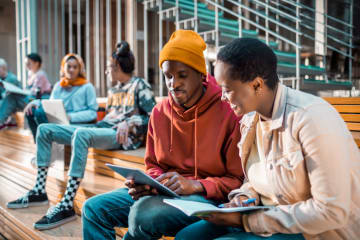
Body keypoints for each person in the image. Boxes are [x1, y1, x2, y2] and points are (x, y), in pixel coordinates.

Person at [175, 38, 360, 240]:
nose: (222, 97)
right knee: (187, 237)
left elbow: (331, 210)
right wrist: (245, 197)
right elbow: (257, 178)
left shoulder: (311, 119)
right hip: (267, 219)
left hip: (314, 231)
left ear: (256, 85)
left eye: (227, 89)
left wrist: (246, 221)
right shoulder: (251, 119)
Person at [81, 30, 244, 240]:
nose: (173, 84)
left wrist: (197, 185)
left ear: (201, 73)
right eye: (168, 76)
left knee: (144, 213)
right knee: (93, 209)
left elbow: (237, 180)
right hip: (163, 194)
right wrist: (151, 184)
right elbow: (153, 164)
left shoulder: (229, 111)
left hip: (207, 199)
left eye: (182, 75)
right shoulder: (159, 112)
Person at [6, 41, 156, 230]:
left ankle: (67, 203)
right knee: (45, 129)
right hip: (104, 129)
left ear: (117, 67)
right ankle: (39, 190)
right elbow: (109, 116)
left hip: (121, 138)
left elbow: (154, 117)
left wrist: (130, 121)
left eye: (108, 67)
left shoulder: (139, 85)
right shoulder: (113, 89)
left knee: (81, 134)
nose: (106, 71)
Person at [24, 53, 98, 140]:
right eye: (68, 66)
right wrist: (34, 102)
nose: (71, 70)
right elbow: (50, 105)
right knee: (33, 111)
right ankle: (39, 142)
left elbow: (93, 113)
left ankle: (45, 143)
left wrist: (70, 116)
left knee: (43, 125)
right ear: (63, 68)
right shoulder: (59, 85)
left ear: (79, 69)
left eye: (75, 67)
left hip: (77, 123)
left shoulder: (87, 86)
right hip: (58, 121)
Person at [0, 54, 52, 129]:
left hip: (37, 101)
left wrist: (21, 92)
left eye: (29, 63)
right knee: (11, 96)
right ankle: (8, 120)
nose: (27, 66)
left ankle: (2, 120)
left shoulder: (40, 75)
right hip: (31, 99)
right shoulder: (31, 74)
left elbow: (35, 93)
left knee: (12, 97)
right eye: (26, 64)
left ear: (36, 63)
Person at [0, 58, 21, 129]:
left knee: (8, 98)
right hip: (7, 102)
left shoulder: (12, 78)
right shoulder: (1, 79)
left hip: (17, 102)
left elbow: (9, 94)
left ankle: (2, 121)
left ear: (3, 68)